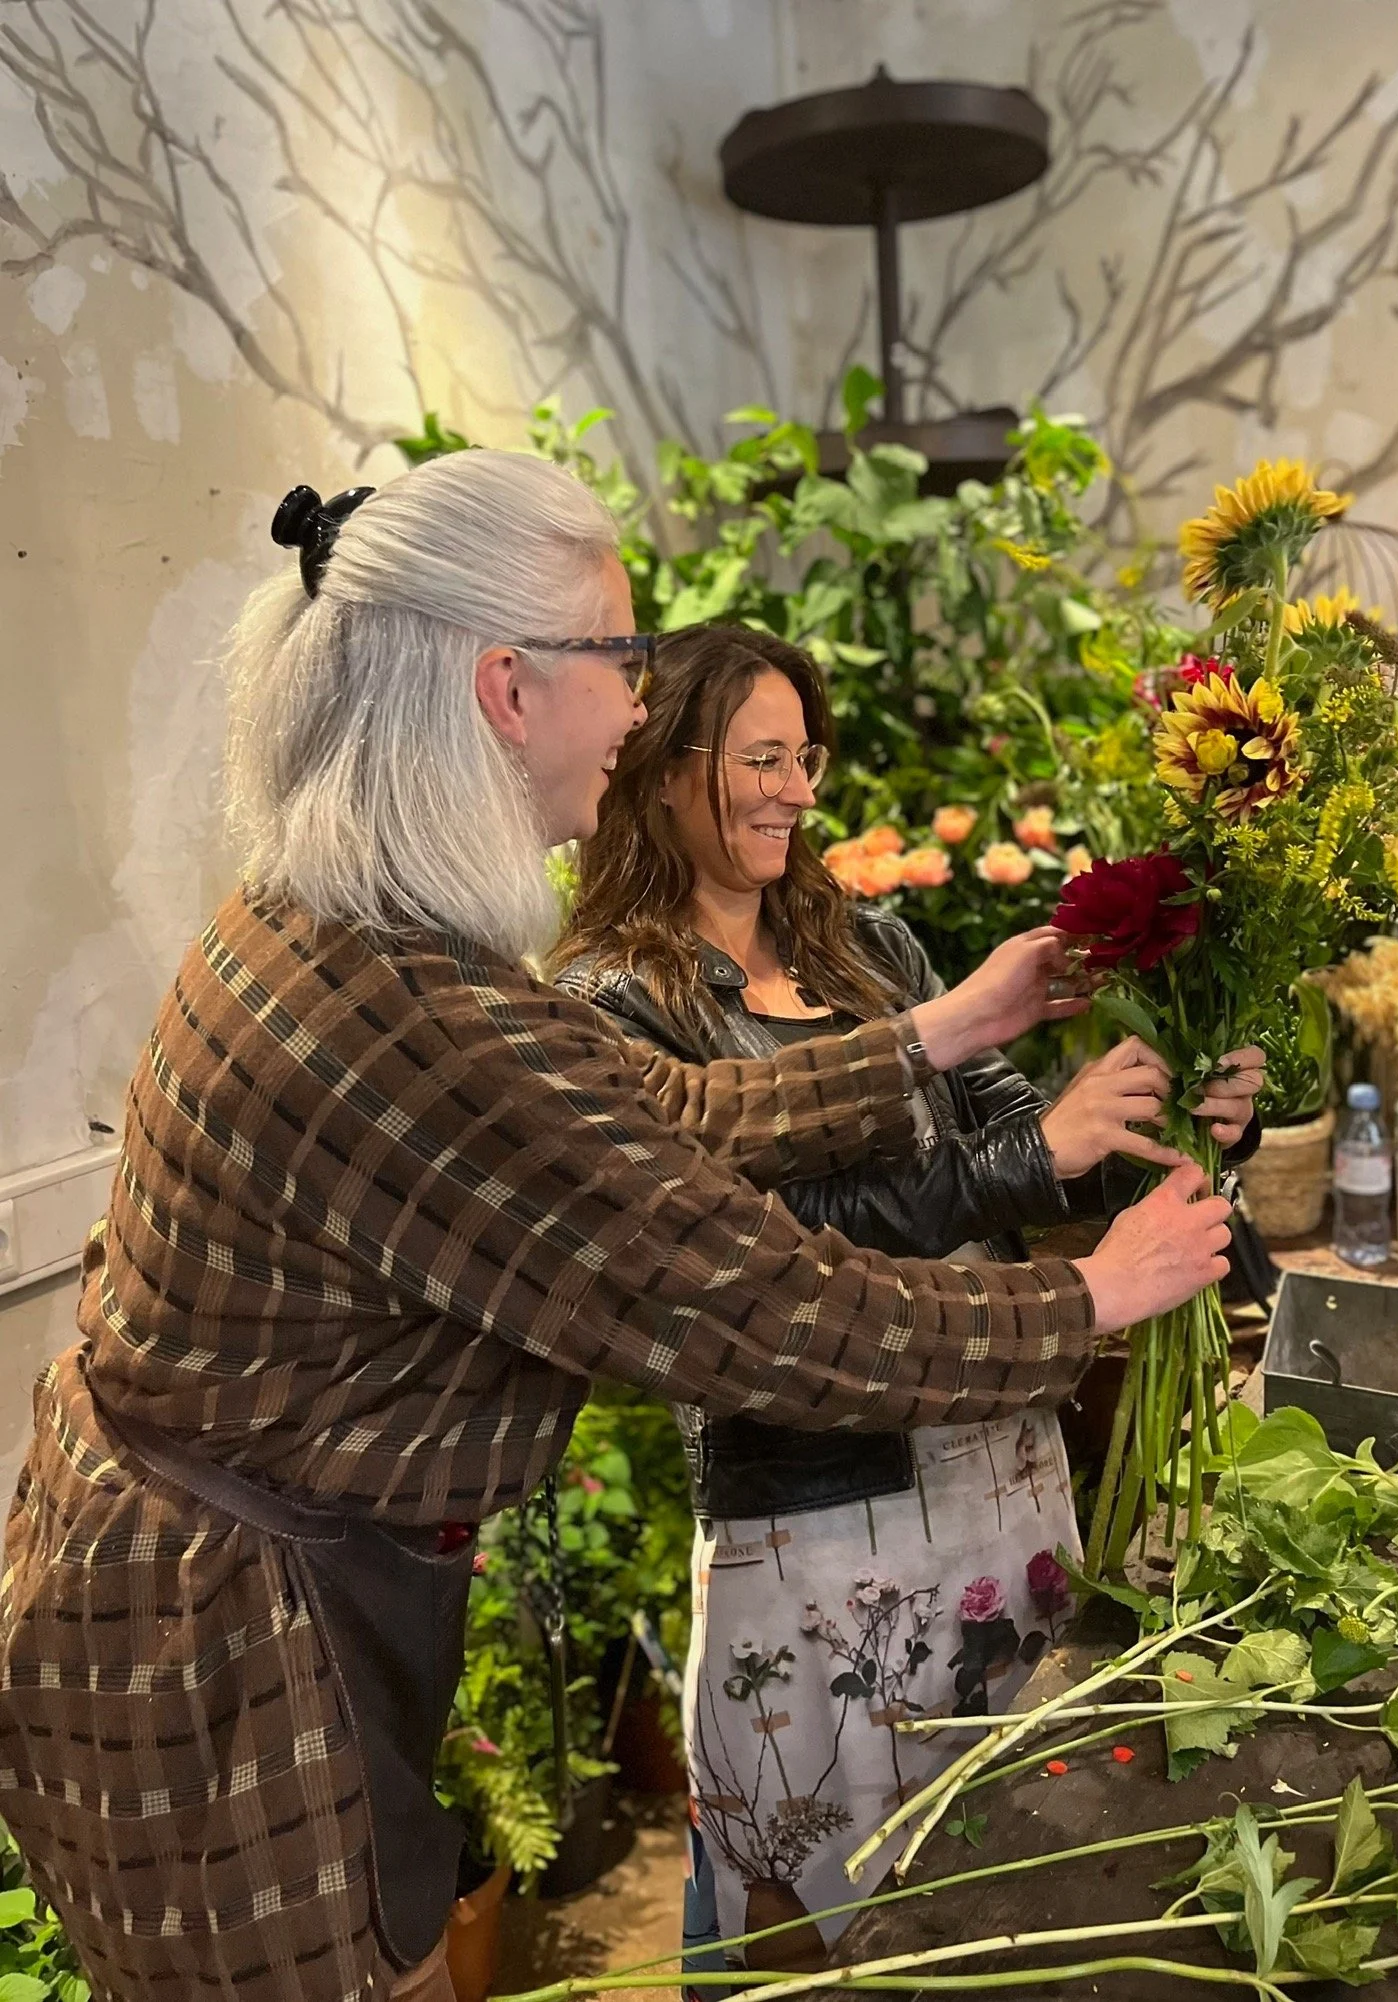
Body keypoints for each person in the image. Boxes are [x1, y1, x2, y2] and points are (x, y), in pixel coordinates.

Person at [0, 451, 1233, 2002]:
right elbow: (764, 1306)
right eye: (625, 658)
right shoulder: (418, 1011)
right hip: (222, 1646)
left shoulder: (332, 922)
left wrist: (935, 1032)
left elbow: (659, 1115)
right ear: (507, 687)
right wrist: (1090, 1300)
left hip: (208, 1584)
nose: (644, 705)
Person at [552, 624, 1263, 1967]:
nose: (797, 790)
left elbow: (1022, 1148)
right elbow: (760, 1252)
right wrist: (1028, 1155)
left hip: (1006, 1474)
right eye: (762, 757)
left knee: (1014, 1896)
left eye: (805, 757)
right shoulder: (612, 1010)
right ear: (657, 769)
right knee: (829, 1926)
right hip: (817, 1533)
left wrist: (1167, 1121)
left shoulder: (868, 945)